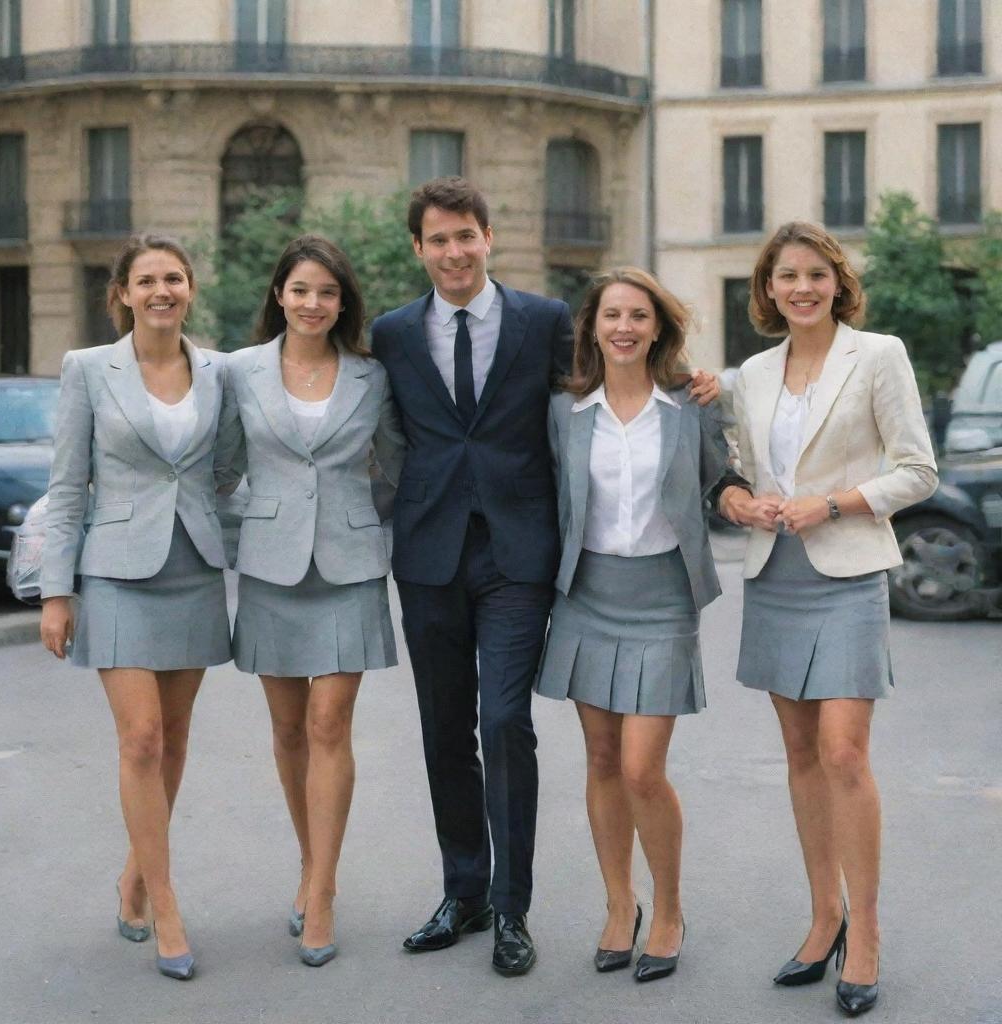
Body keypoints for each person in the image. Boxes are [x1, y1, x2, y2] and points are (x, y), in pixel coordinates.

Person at [371, 178, 719, 975]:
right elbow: (379, 425)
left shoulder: (545, 320)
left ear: (489, 237)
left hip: (520, 559)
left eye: (467, 235)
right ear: (419, 249)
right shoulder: (393, 334)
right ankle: (464, 892)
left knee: (504, 723)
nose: (454, 251)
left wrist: (694, 383)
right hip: (428, 556)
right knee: (444, 731)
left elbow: (617, 376)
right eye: (438, 239)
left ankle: (511, 912)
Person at [719, 222, 937, 1016]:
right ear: (768, 290)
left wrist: (835, 502)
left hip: (847, 573)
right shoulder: (751, 372)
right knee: (802, 757)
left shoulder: (878, 355)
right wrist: (744, 499)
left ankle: (867, 935)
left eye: (815, 274)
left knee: (845, 755)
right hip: (776, 574)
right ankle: (823, 919)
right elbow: (739, 466)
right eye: (786, 276)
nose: (801, 287)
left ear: (836, 282)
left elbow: (918, 469)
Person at [40, 234, 234, 981]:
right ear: (122, 292)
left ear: (190, 288)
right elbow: (67, 489)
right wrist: (59, 592)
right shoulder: (88, 369)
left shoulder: (217, 371)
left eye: (174, 278)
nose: (162, 291)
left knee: (176, 740)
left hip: (193, 568)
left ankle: (133, 878)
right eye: (146, 279)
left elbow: (226, 470)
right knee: (142, 739)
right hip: (115, 571)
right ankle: (168, 906)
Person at [535, 268, 733, 982]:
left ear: (658, 328)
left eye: (638, 316)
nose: (624, 327)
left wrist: (747, 500)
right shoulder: (565, 410)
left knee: (643, 768)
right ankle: (621, 905)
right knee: (599, 760)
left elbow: (723, 477)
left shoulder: (691, 405)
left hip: (662, 596)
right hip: (588, 593)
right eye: (611, 314)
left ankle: (671, 909)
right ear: (591, 326)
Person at [218, 235, 404, 967]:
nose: (313, 304)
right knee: (289, 730)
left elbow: (394, 464)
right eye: (300, 290)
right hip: (270, 566)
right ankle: (308, 863)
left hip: (350, 562)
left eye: (327, 292)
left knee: (331, 725)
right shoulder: (238, 372)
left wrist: (357, 513)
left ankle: (322, 890)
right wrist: (261, 516)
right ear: (279, 296)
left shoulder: (372, 376)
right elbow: (221, 464)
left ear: (342, 301)